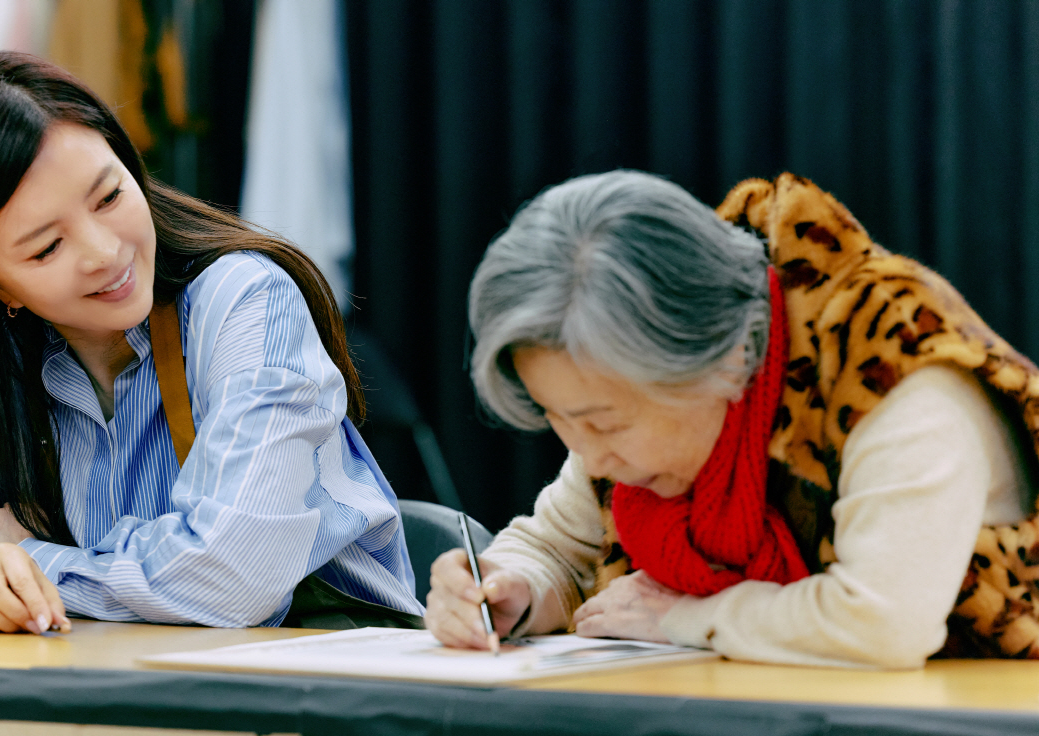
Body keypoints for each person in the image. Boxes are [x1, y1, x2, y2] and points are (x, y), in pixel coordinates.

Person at [0, 52, 424, 633]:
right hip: (133, 674)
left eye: (109, 197)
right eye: (47, 248)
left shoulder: (243, 301)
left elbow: (232, 578)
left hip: (325, 675)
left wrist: (31, 561)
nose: (104, 253)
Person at [426, 170, 1039, 668]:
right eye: (559, 417)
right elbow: (557, 549)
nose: (590, 455)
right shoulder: (640, 410)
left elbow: (882, 622)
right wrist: (508, 590)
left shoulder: (891, 368)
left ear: (721, 360)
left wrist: (684, 618)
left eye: (606, 424)